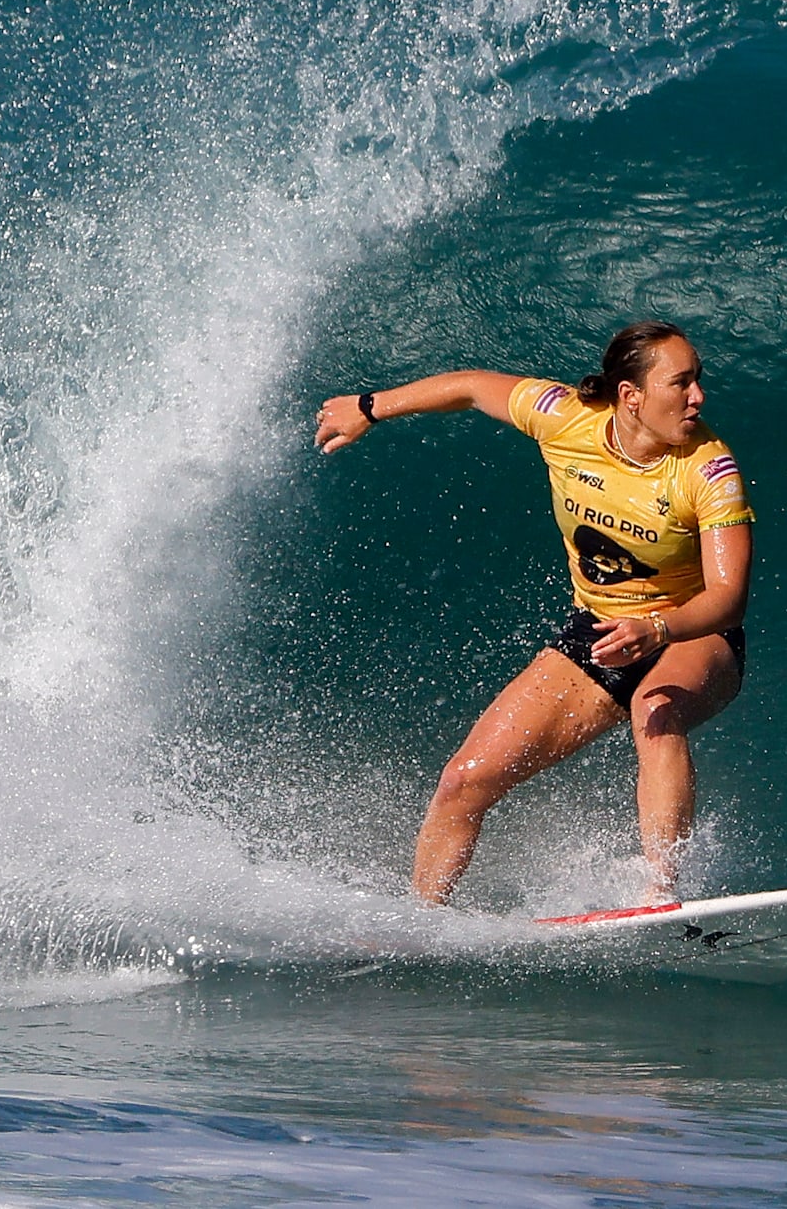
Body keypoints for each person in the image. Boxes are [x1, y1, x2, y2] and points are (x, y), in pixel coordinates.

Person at [313, 321, 755, 905]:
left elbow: (728, 596)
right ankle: (422, 921)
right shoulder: (564, 417)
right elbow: (471, 386)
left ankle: (662, 895)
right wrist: (370, 408)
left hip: (691, 632)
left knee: (657, 710)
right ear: (631, 396)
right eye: (681, 383)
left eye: (698, 380)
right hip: (598, 628)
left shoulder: (708, 469)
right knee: (463, 782)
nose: (697, 396)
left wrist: (655, 627)